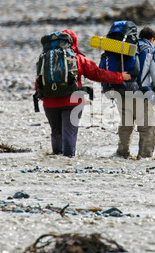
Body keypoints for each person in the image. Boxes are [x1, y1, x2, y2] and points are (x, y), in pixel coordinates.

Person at [35, 29, 131, 157]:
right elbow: (97, 74)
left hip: (49, 102)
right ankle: (68, 161)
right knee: (69, 131)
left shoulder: (46, 58)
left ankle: (56, 159)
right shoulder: (77, 58)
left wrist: (46, 98)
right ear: (72, 42)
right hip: (72, 101)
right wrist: (120, 77)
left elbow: (38, 81)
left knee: (56, 132)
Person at [116, 26, 155, 159]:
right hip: (141, 94)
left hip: (121, 93)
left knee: (126, 125)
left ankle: (122, 155)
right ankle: (144, 157)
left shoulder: (126, 48)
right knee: (147, 127)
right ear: (152, 39)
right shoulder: (150, 50)